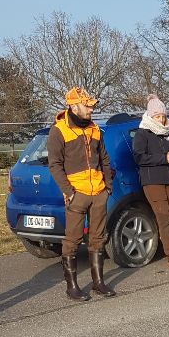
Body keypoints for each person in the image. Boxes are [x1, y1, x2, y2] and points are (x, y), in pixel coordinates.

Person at [47, 86, 115, 302]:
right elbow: (55, 165)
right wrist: (70, 192)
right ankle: (72, 287)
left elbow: (104, 159)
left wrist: (107, 187)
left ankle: (98, 283)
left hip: (98, 192)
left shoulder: (95, 129)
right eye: (87, 106)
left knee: (98, 238)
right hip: (77, 193)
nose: (90, 110)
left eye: (91, 106)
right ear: (74, 106)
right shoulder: (59, 130)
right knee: (73, 239)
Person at [132, 95, 169, 268]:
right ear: (150, 116)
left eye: (163, 116)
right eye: (157, 116)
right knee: (164, 217)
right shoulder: (142, 133)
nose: (161, 119)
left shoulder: (168, 133)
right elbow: (139, 157)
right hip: (152, 180)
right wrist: (163, 158)